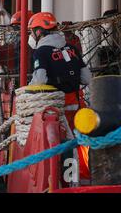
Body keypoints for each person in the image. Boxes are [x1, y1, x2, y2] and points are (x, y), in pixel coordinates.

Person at [27, 11, 91, 178]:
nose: (32, 36)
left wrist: (27, 91)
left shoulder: (40, 52)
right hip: (76, 104)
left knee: (61, 144)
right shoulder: (72, 48)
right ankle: (78, 178)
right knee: (78, 142)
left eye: (32, 31)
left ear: (39, 32)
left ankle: (65, 181)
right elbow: (87, 78)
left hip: (56, 108)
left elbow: (39, 79)